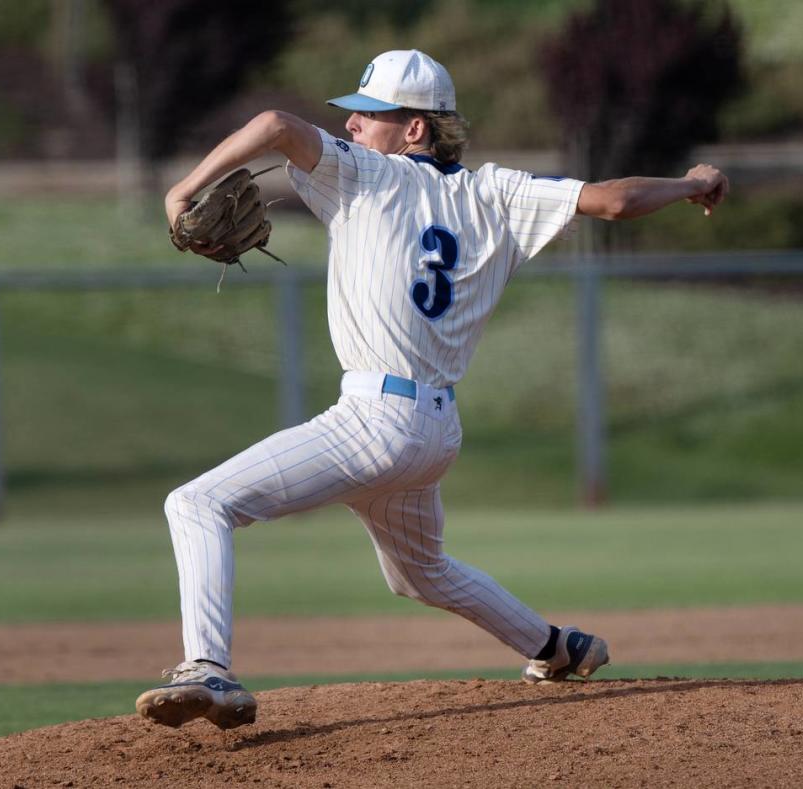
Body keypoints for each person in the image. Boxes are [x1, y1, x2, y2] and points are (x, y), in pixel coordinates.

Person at [134, 49, 729, 730]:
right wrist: (690, 183)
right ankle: (557, 647)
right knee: (419, 573)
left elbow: (273, 122)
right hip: (435, 431)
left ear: (414, 129)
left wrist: (181, 191)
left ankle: (206, 668)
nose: (353, 128)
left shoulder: (363, 175)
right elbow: (615, 200)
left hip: (374, 419)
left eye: (369, 115)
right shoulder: (497, 191)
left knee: (198, 503)